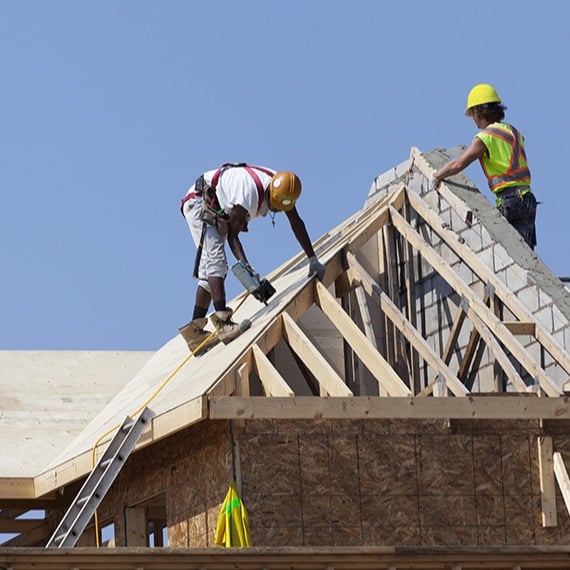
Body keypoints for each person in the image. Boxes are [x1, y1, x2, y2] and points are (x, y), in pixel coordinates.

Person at [179, 163, 326, 351]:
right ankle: (223, 324)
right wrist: (250, 274)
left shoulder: (283, 187)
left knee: (211, 273)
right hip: (199, 203)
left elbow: (296, 223)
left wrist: (312, 259)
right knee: (216, 263)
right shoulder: (247, 197)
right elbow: (233, 237)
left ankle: (195, 335)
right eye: (275, 207)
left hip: (217, 205)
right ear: (270, 195)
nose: (278, 211)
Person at [429, 83, 537, 250]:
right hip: (527, 199)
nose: (473, 119)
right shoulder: (513, 132)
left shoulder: (486, 136)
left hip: (511, 200)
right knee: (525, 254)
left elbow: (458, 163)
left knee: (504, 252)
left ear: (478, 112)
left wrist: (436, 176)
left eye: (472, 114)